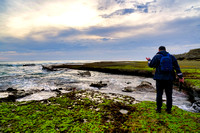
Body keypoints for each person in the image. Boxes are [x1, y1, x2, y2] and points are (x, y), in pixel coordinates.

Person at [146, 46, 184, 113]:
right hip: (169, 78)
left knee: (159, 94)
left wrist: (149, 60)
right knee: (169, 94)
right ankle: (168, 110)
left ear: (159, 50)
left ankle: (158, 109)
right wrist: (181, 77)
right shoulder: (171, 57)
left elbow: (151, 65)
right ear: (165, 50)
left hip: (159, 78)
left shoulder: (157, 56)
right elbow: (177, 68)